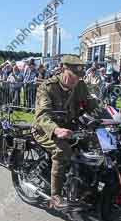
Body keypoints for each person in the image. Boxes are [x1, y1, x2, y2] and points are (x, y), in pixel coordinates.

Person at [33, 55, 99, 210]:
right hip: (45, 130)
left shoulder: (80, 86)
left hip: (70, 128)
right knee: (62, 150)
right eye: (72, 76)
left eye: (79, 77)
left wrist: (116, 117)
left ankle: (85, 187)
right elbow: (43, 115)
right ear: (63, 69)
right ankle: (55, 196)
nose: (76, 80)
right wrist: (56, 130)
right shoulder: (47, 87)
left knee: (94, 147)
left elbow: (93, 106)